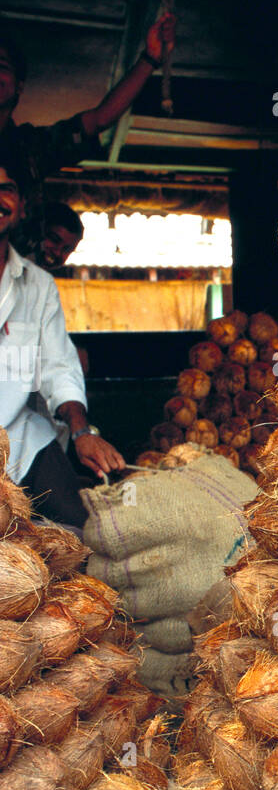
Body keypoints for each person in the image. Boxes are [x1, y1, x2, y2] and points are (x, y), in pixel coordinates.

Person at [0, 158, 124, 527]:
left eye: (6, 189)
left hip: (22, 438)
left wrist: (82, 432)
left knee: (77, 531)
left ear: (21, 206)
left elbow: (59, 366)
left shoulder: (38, 285)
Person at [0, 14, 176, 232]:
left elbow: (100, 118)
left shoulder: (31, 147)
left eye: (2, 66)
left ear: (18, 86)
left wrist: (150, 58)